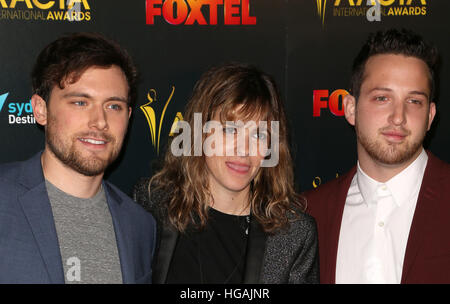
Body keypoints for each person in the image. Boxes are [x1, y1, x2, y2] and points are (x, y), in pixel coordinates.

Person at [133, 63, 319, 284]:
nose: (243, 149)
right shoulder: (153, 204)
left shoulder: (293, 235)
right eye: (230, 130)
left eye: (259, 135)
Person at [0, 32, 156, 283]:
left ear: (128, 116)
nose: (100, 122)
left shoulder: (140, 226)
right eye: (81, 102)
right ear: (41, 110)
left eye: (113, 106)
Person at [304, 29, 450, 284]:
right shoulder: (308, 215)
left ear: (430, 116)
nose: (398, 117)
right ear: (350, 109)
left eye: (414, 101)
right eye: (382, 98)